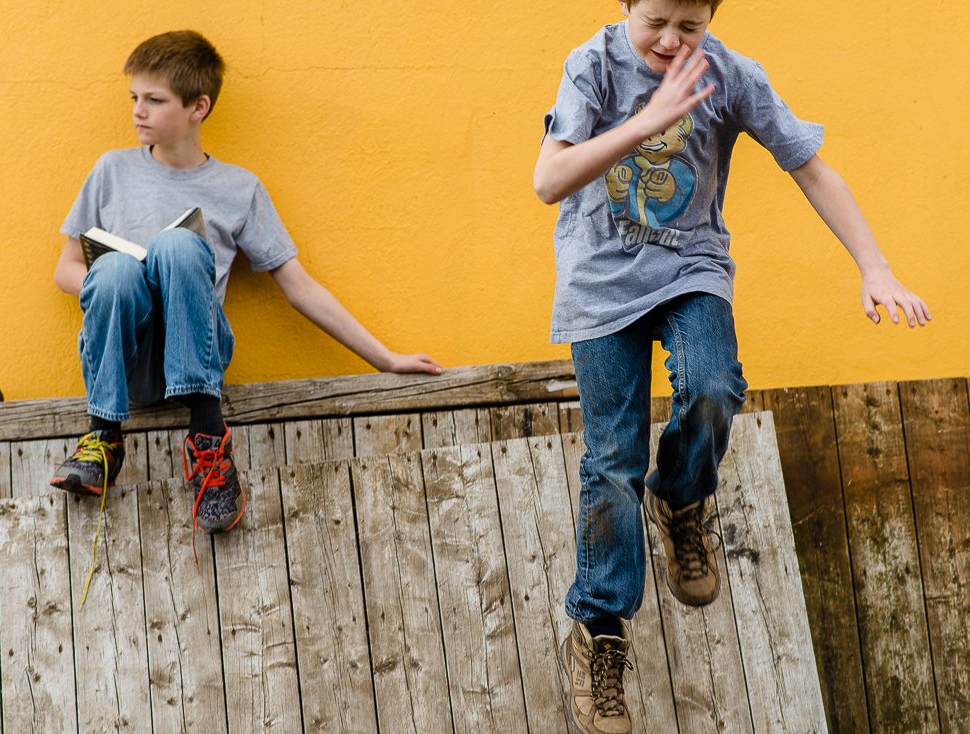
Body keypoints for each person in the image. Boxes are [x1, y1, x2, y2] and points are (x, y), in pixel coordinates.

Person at [532, 1, 930, 732]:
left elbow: (810, 168)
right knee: (612, 461)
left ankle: (682, 499)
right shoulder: (589, 67)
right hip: (599, 285)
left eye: (691, 24)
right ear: (626, 5)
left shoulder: (732, 76)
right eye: (656, 20)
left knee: (714, 387)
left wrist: (875, 268)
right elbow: (548, 180)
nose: (671, 40)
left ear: (712, 17)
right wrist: (644, 125)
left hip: (690, 271)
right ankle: (600, 630)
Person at [51, 30, 442, 540]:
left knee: (178, 246)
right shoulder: (111, 170)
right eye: (134, 99)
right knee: (118, 269)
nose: (137, 112)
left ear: (199, 107)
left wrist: (385, 358)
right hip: (129, 364)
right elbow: (64, 269)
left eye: (154, 100)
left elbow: (298, 285)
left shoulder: (238, 188)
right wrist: (121, 279)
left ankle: (209, 439)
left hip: (197, 357)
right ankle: (103, 438)